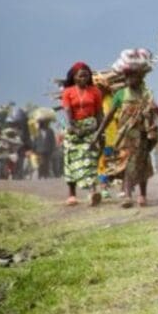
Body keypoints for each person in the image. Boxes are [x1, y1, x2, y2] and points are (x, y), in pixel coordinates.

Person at [93, 56, 158, 208]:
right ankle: (128, 195)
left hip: (143, 136)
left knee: (143, 164)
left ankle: (142, 195)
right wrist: (98, 133)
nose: (129, 80)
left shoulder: (146, 94)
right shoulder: (121, 94)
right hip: (125, 137)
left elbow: (155, 112)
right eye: (127, 77)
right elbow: (109, 116)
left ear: (140, 77)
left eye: (133, 76)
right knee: (127, 164)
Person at [60, 62, 104, 206]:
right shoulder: (68, 92)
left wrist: (100, 132)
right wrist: (73, 127)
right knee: (71, 160)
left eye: (86, 76)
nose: (84, 78)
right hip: (73, 129)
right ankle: (72, 195)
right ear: (74, 77)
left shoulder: (95, 92)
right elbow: (67, 112)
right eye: (80, 76)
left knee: (90, 158)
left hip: (90, 128)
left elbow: (99, 113)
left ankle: (93, 192)